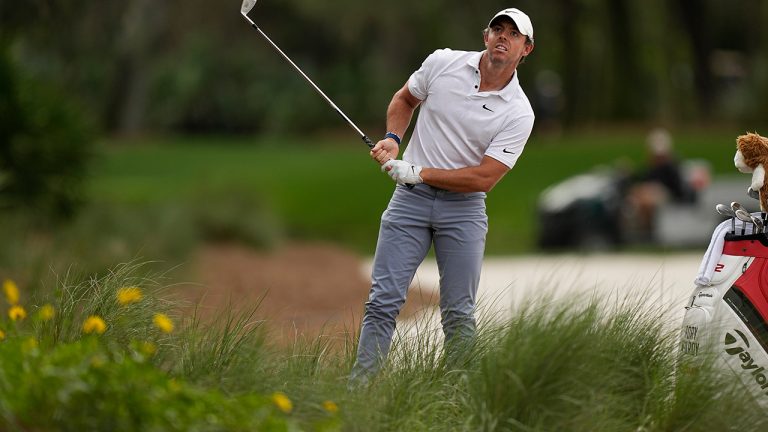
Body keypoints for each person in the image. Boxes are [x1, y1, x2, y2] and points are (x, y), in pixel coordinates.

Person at [349, 8, 536, 384]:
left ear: (525, 49)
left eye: (513, 34)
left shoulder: (519, 112)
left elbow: (484, 178)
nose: (503, 37)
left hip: (463, 211)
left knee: (458, 313)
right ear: (485, 36)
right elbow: (405, 100)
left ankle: (456, 399)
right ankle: (360, 391)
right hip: (410, 203)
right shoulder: (443, 63)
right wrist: (393, 138)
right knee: (383, 301)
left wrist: (419, 172)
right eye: (497, 29)